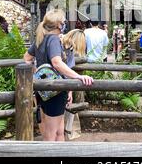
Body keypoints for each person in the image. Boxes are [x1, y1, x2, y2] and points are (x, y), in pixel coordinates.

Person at [23, 9, 93, 141]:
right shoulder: (54, 39)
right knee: (52, 133)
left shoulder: (40, 38)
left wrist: (37, 73)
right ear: (59, 25)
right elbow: (57, 62)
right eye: (63, 22)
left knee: (59, 131)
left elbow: (27, 58)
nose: (64, 24)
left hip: (42, 91)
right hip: (55, 91)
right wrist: (78, 77)